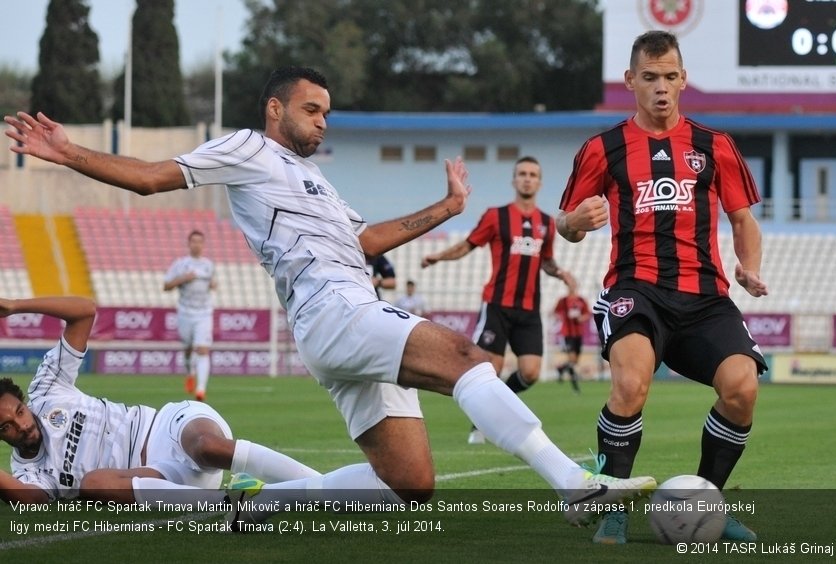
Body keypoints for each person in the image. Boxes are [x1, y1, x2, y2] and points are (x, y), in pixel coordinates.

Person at [4, 66, 655, 530]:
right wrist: (66, 152)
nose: (321, 121)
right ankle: (575, 485)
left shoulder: (313, 181)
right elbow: (150, 178)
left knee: (411, 486)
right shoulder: (247, 148)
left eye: (325, 112)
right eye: (311, 109)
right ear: (274, 109)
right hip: (336, 309)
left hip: (339, 321)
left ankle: (262, 504)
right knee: (466, 357)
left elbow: (368, 237)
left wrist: (449, 207)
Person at [556, 31, 767, 544]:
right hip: (637, 289)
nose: (661, 87)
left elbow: (742, 219)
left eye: (670, 76)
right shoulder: (602, 148)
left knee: (742, 388)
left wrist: (748, 266)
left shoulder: (714, 145)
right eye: (650, 77)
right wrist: (575, 222)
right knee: (630, 384)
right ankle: (613, 502)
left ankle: (708, 503)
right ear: (631, 81)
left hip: (706, 296)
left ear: (683, 79)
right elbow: (565, 222)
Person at [0, 295, 321, 506]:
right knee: (93, 484)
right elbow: (31, 500)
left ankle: (327, 488)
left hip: (166, 426)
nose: (23, 424)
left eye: (20, 411)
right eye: (8, 426)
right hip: (158, 477)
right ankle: (231, 502)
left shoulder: (47, 389)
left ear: (25, 401)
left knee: (207, 446)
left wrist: (14, 306)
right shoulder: (28, 473)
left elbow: (84, 311)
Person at [422, 156, 570, 444]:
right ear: (514, 180)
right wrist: (438, 256)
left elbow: (547, 261)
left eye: (532, 174)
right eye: (522, 174)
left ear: (539, 182)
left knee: (530, 372)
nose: (527, 178)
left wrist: (561, 273)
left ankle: (499, 408)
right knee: (490, 370)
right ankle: (480, 424)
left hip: (529, 310)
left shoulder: (547, 224)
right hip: (497, 305)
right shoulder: (495, 216)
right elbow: (468, 245)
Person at [163, 229, 216, 401]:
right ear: (189, 244)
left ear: (203, 244)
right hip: (185, 312)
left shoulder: (209, 265)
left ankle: (200, 390)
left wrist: (213, 285)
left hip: (204, 313)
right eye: (194, 241)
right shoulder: (180, 264)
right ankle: (190, 372)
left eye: (200, 241)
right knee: (187, 350)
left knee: (202, 349)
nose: (197, 244)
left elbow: (212, 284)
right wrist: (183, 279)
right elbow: (166, 286)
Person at [553, 276, 590, 394]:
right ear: (567, 286)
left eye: (574, 284)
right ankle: (575, 387)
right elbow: (555, 312)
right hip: (567, 334)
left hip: (578, 333)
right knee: (572, 359)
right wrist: (561, 317)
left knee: (574, 362)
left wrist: (581, 318)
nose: (572, 287)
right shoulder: (562, 301)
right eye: (570, 285)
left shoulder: (581, 300)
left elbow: (587, 314)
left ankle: (561, 369)